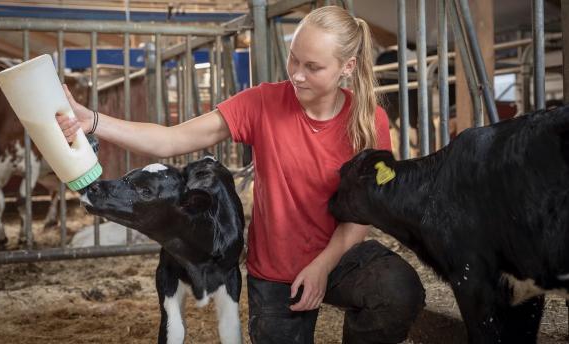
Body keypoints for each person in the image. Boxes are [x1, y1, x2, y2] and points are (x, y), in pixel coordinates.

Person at [57, 6, 425, 344]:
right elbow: (170, 140)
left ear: (347, 66)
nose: (296, 74)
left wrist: (322, 267)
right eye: (293, 59)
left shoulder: (368, 121)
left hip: (338, 257)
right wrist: (91, 120)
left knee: (398, 290)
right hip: (278, 270)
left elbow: (362, 216)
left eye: (313, 67)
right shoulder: (262, 103)